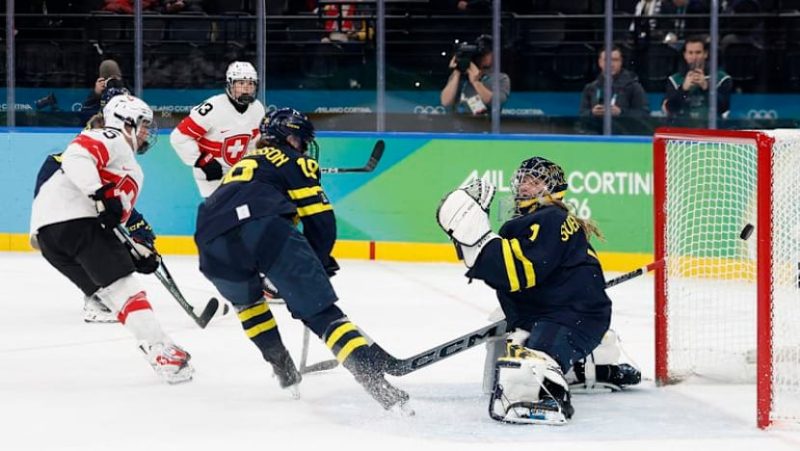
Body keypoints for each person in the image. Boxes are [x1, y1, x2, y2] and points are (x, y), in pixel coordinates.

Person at [193, 107, 412, 412]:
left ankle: (283, 369)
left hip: (208, 238)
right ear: (289, 137)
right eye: (301, 139)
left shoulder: (246, 162)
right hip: (262, 226)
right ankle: (377, 383)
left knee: (250, 305)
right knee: (322, 313)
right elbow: (321, 221)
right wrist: (319, 259)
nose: (305, 146)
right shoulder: (298, 162)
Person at [436, 156, 633, 424]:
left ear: (552, 188)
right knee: (511, 339)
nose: (524, 185)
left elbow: (514, 270)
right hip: (556, 310)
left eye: (535, 180)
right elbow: (513, 277)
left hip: (574, 315)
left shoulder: (550, 218)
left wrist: (477, 241)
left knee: (530, 364)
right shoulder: (535, 221)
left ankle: (551, 392)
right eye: (522, 179)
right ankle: (580, 368)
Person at [29, 94, 194, 384]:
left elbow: (111, 220)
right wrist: (99, 191)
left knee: (114, 293)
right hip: (73, 221)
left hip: (51, 237)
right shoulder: (111, 137)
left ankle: (157, 346)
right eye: (143, 125)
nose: (146, 132)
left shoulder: (129, 166)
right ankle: (160, 350)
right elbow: (77, 155)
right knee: (125, 289)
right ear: (126, 121)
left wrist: (137, 252)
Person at [170, 61, 266, 199]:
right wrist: (204, 161)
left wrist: (253, 163)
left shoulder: (257, 109)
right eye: (240, 83)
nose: (246, 89)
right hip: (212, 174)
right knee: (221, 214)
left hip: (240, 173)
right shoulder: (212, 108)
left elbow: (253, 142)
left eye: (250, 84)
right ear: (230, 84)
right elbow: (179, 137)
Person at [664, 35, 733, 119]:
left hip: (711, 128)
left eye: (698, 52)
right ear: (685, 55)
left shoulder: (722, 78)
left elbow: (723, 108)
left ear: (705, 54)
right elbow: (670, 109)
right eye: (690, 53)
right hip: (682, 128)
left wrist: (706, 87)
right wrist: (683, 90)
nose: (694, 57)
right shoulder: (674, 80)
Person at [440, 35, 510, 115]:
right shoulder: (459, 77)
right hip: (458, 125)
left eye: (488, 53)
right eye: (483, 54)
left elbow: (496, 102)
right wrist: (457, 70)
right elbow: (445, 102)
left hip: (484, 125)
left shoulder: (500, 78)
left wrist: (476, 82)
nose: (485, 57)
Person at [579, 46, 649, 118]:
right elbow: (582, 114)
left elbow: (644, 113)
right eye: (606, 60)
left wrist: (621, 112)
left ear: (621, 62)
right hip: (596, 128)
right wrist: (592, 113)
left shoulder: (634, 87)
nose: (611, 64)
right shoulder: (590, 88)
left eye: (615, 60)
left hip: (624, 128)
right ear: (600, 62)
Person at [79, 59, 128, 125]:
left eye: (115, 78)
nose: (112, 82)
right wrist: (96, 94)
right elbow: (84, 119)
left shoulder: (126, 90)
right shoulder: (98, 94)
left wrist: (125, 95)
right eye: (109, 79)